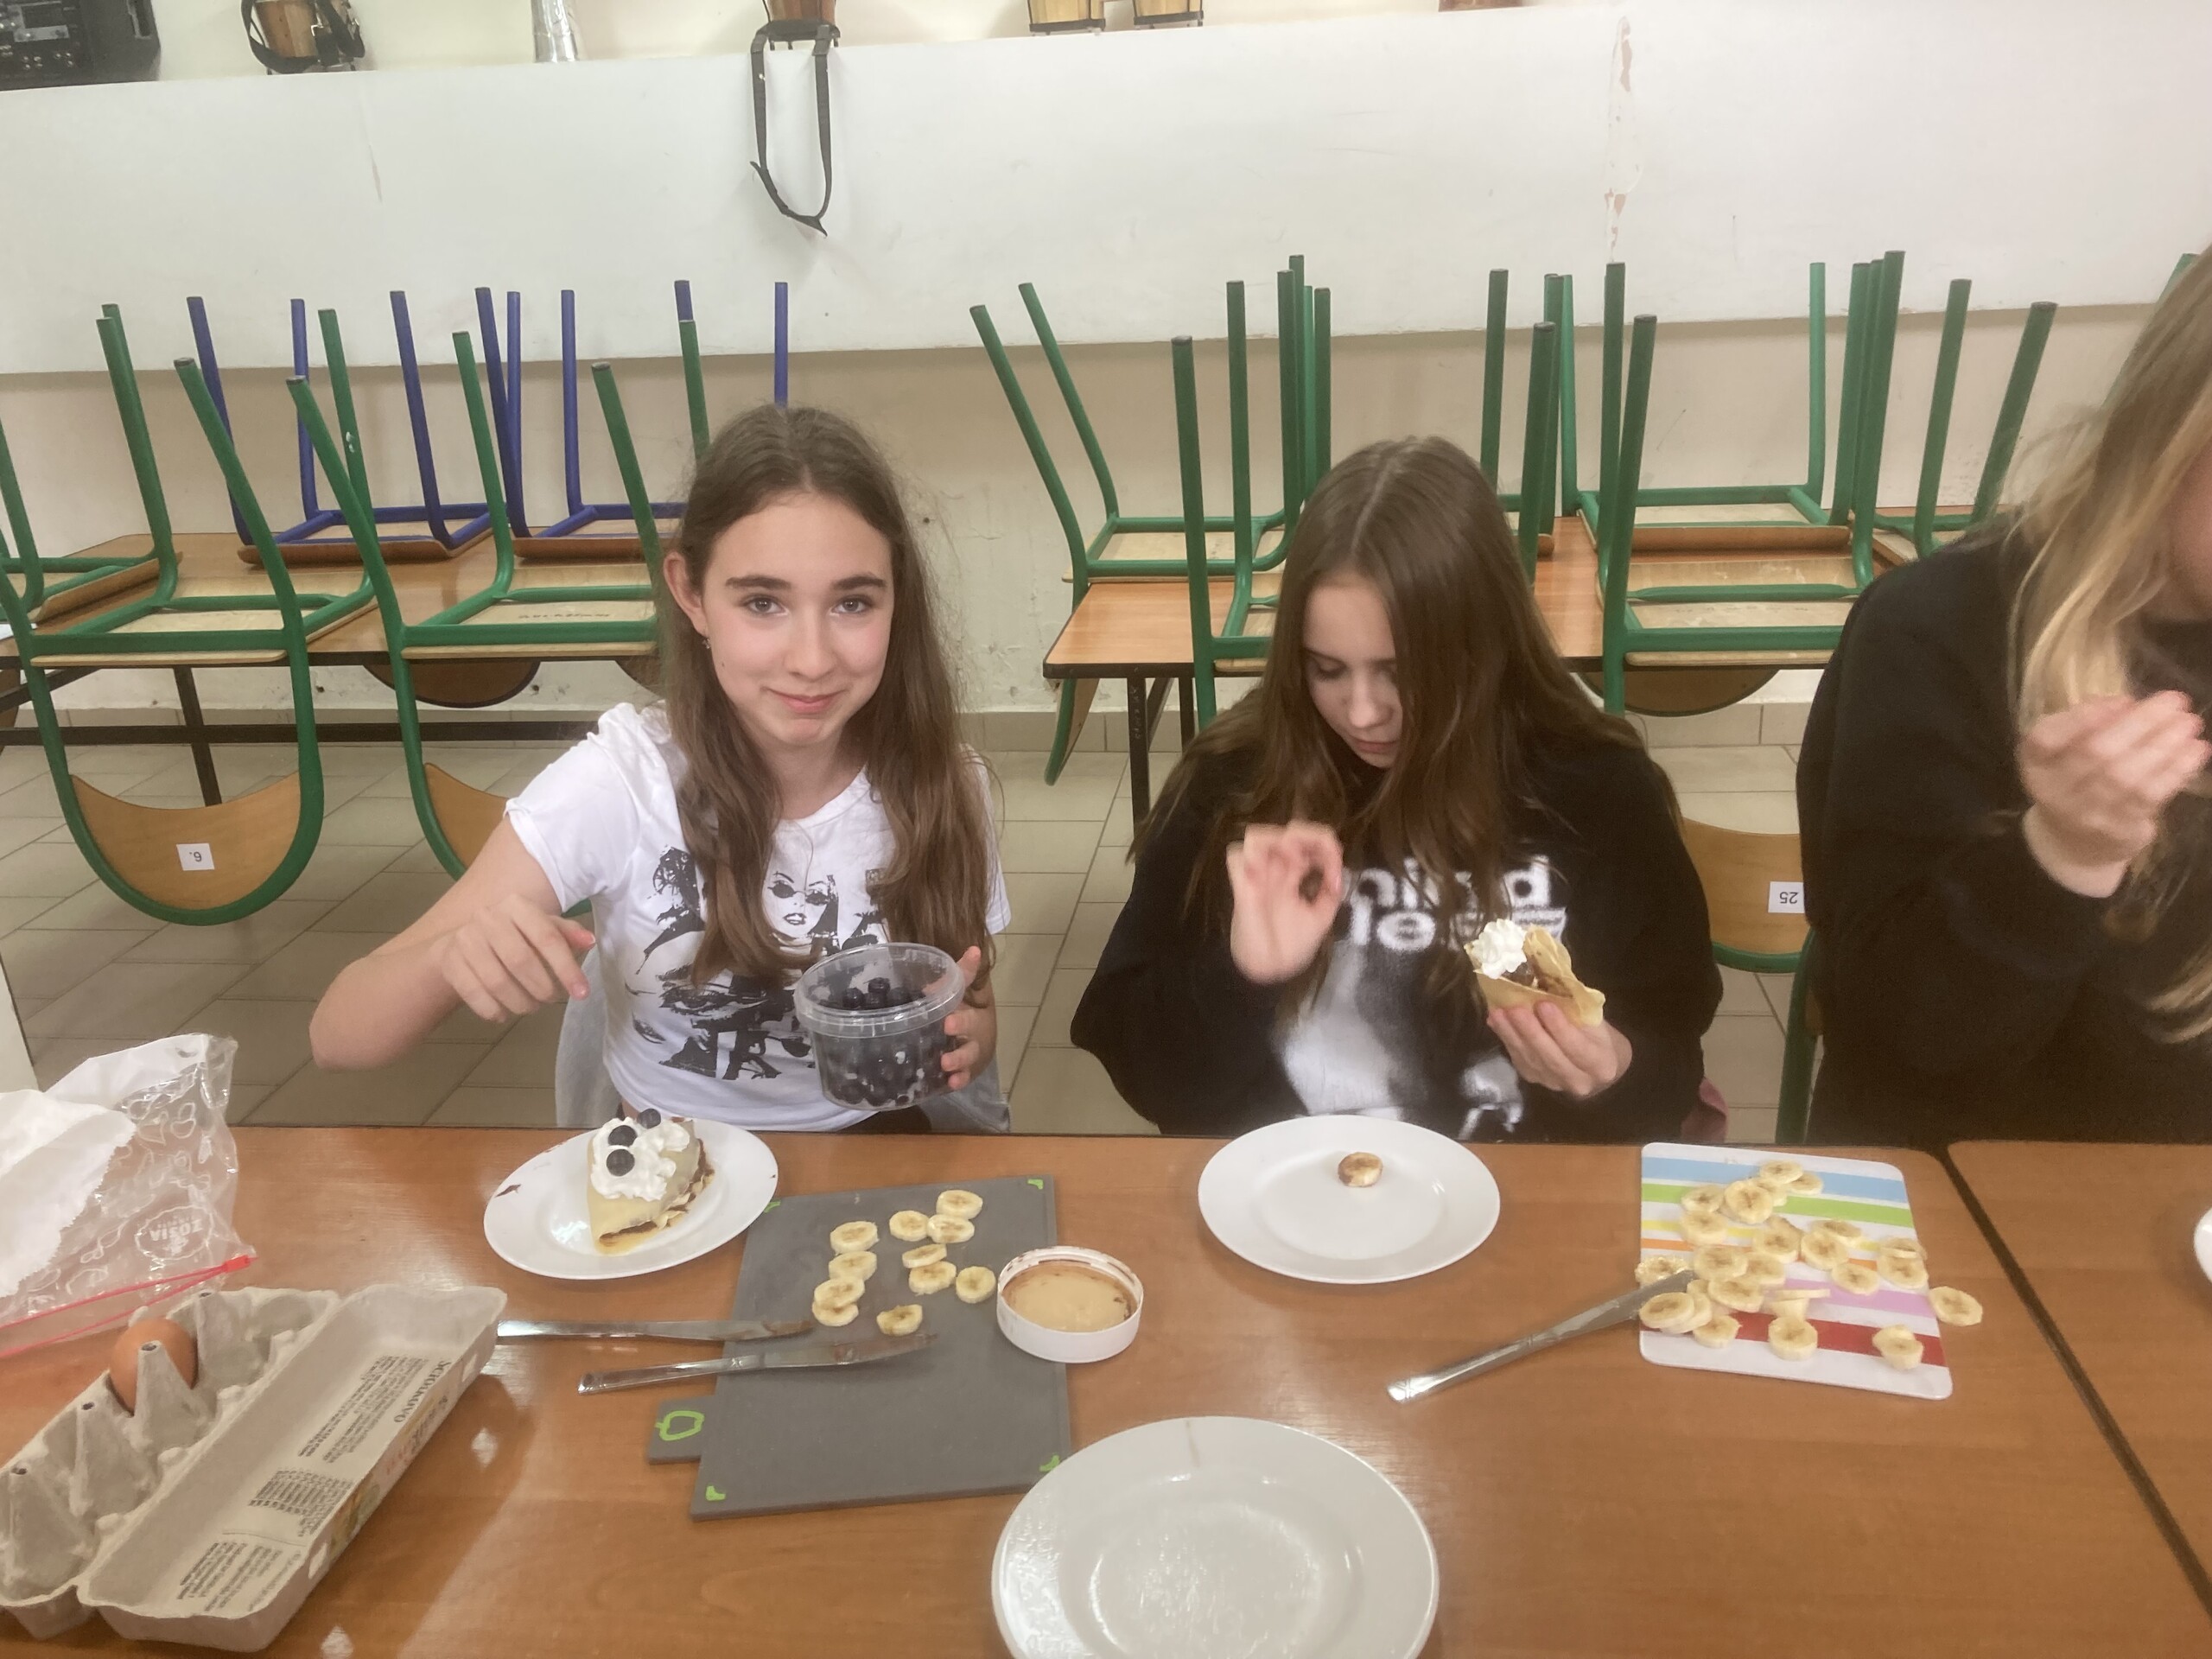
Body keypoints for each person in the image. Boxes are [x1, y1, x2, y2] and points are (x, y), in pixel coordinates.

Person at [309, 404, 1009, 1133]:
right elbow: (336, 1035)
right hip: (672, 1165)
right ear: (691, 595)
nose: (811, 659)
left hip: (875, 1150)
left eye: (853, 603)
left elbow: (976, 1007)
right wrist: (451, 957)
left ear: (898, 600)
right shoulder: (621, 784)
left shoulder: (944, 786)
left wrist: (970, 1040)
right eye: (763, 602)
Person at [1071, 436, 1720, 1141]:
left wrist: (1613, 1072)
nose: (1361, 713)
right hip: (1285, 1187)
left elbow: (1668, 1056)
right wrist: (1240, 977)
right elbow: (1154, 1082)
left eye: (1403, 671)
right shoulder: (1233, 784)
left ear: (1484, 647)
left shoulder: (1598, 790)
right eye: (1326, 669)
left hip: (1518, 1190)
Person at [1799, 247, 2212, 1145]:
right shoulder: (1940, 630)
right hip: (1967, 1174)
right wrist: (2060, 858)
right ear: (2172, 428)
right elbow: (1899, 1039)